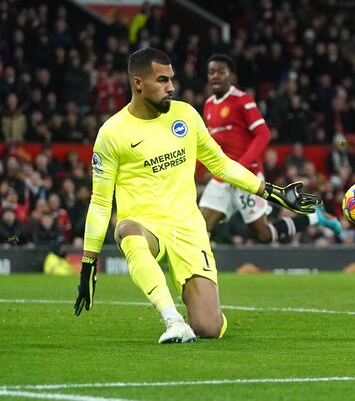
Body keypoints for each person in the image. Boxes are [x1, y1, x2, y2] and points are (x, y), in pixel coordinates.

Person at [74, 47, 323, 344]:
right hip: (147, 226)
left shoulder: (186, 115)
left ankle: (205, 315)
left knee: (208, 328)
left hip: (188, 228)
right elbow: (101, 202)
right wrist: (89, 260)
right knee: (126, 229)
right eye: (163, 80)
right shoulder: (112, 133)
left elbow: (220, 163)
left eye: (172, 80)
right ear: (138, 83)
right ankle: (173, 320)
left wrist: (274, 193)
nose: (172, 88)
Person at [198, 54, 341, 244]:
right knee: (199, 228)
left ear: (230, 75)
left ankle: (315, 217)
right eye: (211, 72)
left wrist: (240, 168)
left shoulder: (242, 100)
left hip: (246, 176)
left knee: (263, 235)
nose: (215, 76)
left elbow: (263, 134)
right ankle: (196, 270)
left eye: (221, 72)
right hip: (222, 177)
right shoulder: (208, 105)